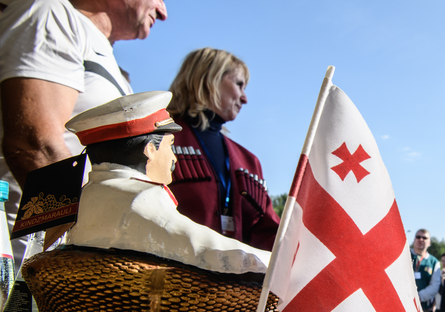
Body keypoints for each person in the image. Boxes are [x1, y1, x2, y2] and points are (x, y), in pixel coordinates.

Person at [0, 0, 168, 265]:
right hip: (25, 271)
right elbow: (34, 144)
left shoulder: (114, 66)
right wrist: (86, 243)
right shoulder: (52, 14)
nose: (163, 12)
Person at [64, 91, 269, 275]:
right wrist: (274, 264)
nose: (174, 158)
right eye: (170, 146)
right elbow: (204, 248)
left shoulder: (85, 195)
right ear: (149, 150)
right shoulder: (141, 197)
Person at [166, 48, 280, 251]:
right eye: (239, 85)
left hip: (232, 280)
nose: (244, 98)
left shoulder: (249, 161)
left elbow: (268, 233)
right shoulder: (160, 139)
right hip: (166, 276)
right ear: (209, 80)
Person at [410, 229, 441, 312]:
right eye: (418, 237)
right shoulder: (404, 255)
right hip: (402, 304)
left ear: (429, 242)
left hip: (422, 307)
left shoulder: (434, 262)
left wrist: (418, 297)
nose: (421, 239)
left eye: (424, 238)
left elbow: (435, 285)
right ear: (414, 239)